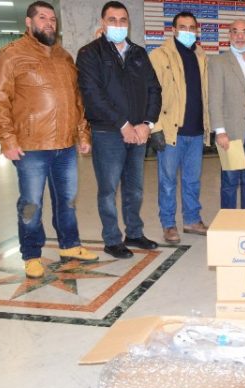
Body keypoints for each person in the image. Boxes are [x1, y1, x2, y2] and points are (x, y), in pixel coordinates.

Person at [0, 1, 97, 279]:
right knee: (31, 203)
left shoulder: (63, 56)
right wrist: (7, 139)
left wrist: (82, 133)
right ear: (29, 22)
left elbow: (76, 99)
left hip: (65, 146)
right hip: (31, 147)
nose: (49, 23)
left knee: (67, 201)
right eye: (43, 17)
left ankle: (69, 245)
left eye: (53, 19)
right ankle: (31, 254)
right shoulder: (11, 55)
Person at [76, 1, 162, 259]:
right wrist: (123, 124)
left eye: (123, 20)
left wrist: (147, 123)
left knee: (135, 189)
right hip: (108, 133)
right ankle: (112, 239)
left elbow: (154, 90)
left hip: (138, 133)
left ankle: (134, 233)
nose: (118, 24)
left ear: (128, 23)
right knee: (108, 190)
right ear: (103, 23)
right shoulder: (90, 53)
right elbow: (93, 95)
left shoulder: (138, 53)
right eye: (112, 20)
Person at [148, 11, 210, 244]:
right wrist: (155, 128)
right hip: (170, 130)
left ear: (197, 30)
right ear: (173, 30)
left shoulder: (201, 55)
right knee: (167, 182)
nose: (187, 31)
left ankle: (192, 220)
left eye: (192, 27)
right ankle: (169, 224)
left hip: (196, 131)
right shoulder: (159, 55)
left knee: (193, 180)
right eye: (182, 27)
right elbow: (151, 94)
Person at [209, 19, 245, 209]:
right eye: (235, 32)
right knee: (230, 181)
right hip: (232, 133)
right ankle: (229, 222)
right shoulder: (218, 62)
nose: (240, 36)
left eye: (244, 32)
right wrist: (220, 131)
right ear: (229, 36)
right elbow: (214, 99)